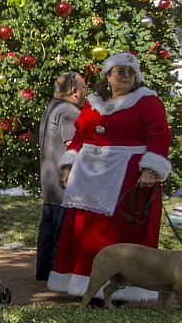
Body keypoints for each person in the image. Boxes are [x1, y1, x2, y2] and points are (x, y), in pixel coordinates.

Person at [48, 52, 171, 303]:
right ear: (107, 75)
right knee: (84, 228)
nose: (125, 76)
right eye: (119, 71)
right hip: (88, 175)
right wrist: (67, 165)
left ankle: (119, 289)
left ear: (137, 76)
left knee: (118, 231)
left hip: (127, 175)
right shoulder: (93, 103)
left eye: (130, 72)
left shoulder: (147, 101)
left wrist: (151, 169)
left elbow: (159, 137)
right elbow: (80, 135)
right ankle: (83, 284)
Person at [35, 71, 86, 281]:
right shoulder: (68, 111)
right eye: (84, 88)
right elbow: (72, 147)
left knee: (48, 228)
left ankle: (44, 272)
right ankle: (59, 275)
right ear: (74, 91)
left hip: (49, 183)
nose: (86, 94)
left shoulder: (50, 108)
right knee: (62, 233)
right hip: (63, 182)